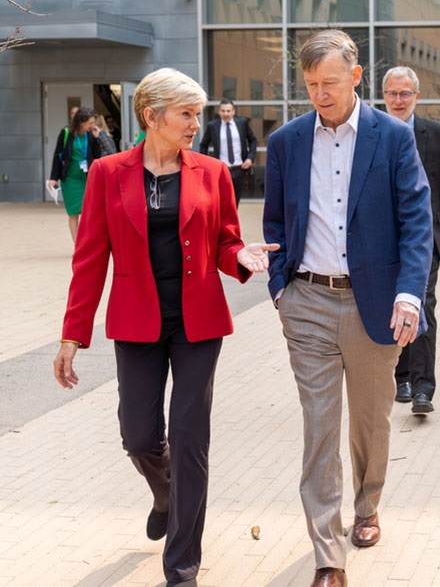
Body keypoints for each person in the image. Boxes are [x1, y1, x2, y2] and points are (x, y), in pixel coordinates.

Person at [52, 68, 278, 587]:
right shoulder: (108, 173)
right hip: (136, 322)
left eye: (198, 113)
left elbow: (224, 241)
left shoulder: (213, 172)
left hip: (198, 322)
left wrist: (239, 254)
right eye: (187, 114)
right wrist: (72, 335)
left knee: (191, 438)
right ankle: (166, 494)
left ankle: (181, 567)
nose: (196, 123)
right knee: (138, 436)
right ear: (152, 117)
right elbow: (89, 261)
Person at [263, 30, 433, 587]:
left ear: (357, 77)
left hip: (374, 304)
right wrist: (280, 288)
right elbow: (274, 223)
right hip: (307, 299)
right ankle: (327, 554)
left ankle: (367, 505)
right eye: (311, 85)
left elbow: (416, 219)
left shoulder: (391, 137)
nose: (320, 94)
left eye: (330, 82)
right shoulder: (288, 141)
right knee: (318, 426)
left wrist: (409, 294)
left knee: (370, 419)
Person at [383, 66, 440, 414]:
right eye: (392, 93)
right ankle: (399, 376)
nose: (398, 100)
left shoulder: (438, 132)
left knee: (422, 306)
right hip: (383, 239)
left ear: (416, 96)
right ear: (384, 96)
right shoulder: (372, 131)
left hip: (426, 238)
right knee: (392, 306)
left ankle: (422, 388)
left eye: (405, 94)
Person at [48, 106, 101, 243]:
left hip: (87, 178)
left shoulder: (90, 134)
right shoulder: (66, 133)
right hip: (70, 179)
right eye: (90, 123)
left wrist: (96, 138)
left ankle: (86, 243)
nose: (92, 125)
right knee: (74, 212)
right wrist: (54, 178)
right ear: (81, 122)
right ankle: (78, 245)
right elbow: (57, 155)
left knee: (89, 211)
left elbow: (97, 156)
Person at [199, 98, 257, 206]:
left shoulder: (242, 123)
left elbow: (253, 140)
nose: (226, 114)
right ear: (219, 111)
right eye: (223, 111)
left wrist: (250, 157)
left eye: (228, 111)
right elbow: (203, 145)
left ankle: (232, 223)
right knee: (221, 201)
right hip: (221, 170)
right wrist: (207, 165)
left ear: (233, 112)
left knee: (235, 201)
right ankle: (220, 222)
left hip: (239, 169)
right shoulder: (212, 126)